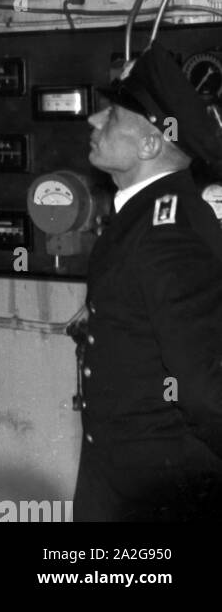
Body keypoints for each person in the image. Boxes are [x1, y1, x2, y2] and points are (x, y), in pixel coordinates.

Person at [74, 42, 222, 522]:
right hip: (117, 477)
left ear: (150, 144)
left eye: (112, 116)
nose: (95, 122)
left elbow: (201, 388)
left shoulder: (168, 231)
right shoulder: (139, 216)